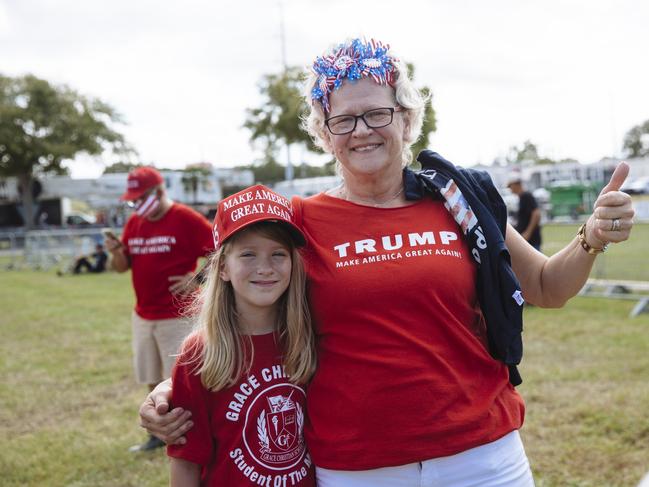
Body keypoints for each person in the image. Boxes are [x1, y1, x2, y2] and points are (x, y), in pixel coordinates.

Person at [139, 38, 635, 486]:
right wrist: (174, 385)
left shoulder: (456, 202)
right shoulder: (297, 220)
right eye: (343, 120)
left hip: (483, 457)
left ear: (404, 118)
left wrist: (590, 237)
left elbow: (548, 286)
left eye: (376, 114)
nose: (362, 131)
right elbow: (242, 309)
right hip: (357, 467)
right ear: (325, 132)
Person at [168, 184, 316, 486]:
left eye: (278, 254)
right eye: (248, 254)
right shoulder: (199, 354)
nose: (265, 268)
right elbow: (185, 462)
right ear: (222, 267)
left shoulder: (310, 337)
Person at [105, 166, 214, 452]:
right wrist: (116, 252)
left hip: (177, 315)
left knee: (183, 382)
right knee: (151, 376)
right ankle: (159, 434)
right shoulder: (135, 223)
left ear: (159, 191)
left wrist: (198, 280)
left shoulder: (185, 218)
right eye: (133, 201)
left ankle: (193, 436)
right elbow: (120, 268)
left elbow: (224, 249)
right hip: (143, 314)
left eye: (141, 199)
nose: (137, 206)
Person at [508, 177, 543, 251]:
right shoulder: (521, 198)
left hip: (532, 240)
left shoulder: (526, 196)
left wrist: (527, 233)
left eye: (511, 186)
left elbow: (536, 213)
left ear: (517, 185)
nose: (510, 189)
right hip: (526, 239)